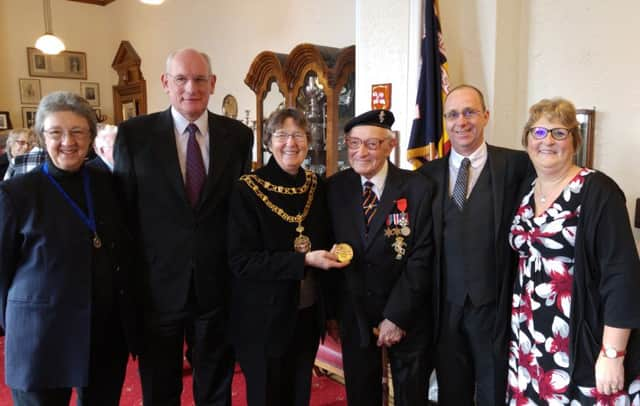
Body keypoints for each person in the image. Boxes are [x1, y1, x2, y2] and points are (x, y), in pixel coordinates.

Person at [114, 48, 253, 405]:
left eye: (199, 79)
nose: (191, 87)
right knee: (160, 387)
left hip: (217, 284)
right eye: (181, 79)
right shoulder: (133, 136)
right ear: (165, 83)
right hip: (158, 287)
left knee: (216, 384)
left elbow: (240, 209)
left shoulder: (237, 136)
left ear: (213, 83)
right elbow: (124, 215)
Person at [0, 91, 139, 405]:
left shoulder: (107, 183)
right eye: (56, 132)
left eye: (78, 131)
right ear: (41, 136)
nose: (68, 141)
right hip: (42, 334)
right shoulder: (16, 193)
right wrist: (15, 323)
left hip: (103, 331)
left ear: (91, 136)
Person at [506, 97, 640, 404]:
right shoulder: (526, 191)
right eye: (539, 132)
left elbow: (622, 276)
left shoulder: (598, 191)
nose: (547, 141)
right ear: (527, 140)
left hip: (581, 344)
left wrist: (612, 353)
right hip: (528, 343)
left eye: (559, 133)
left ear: (574, 141)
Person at [418, 84, 532, 405]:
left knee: (494, 392)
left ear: (485, 116)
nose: (461, 121)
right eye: (453, 114)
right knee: (452, 394)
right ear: (445, 122)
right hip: (446, 308)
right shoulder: (426, 176)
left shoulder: (517, 166)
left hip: (494, 308)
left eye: (469, 112)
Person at [228, 108, 347, 406]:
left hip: (306, 314)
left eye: (298, 135)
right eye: (281, 135)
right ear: (268, 141)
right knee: (267, 396)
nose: (290, 143)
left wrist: (331, 311)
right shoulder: (247, 189)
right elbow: (242, 261)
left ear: (308, 140)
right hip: (263, 318)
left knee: (298, 394)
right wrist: (303, 261)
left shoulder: (317, 186)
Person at [328, 109, 435, 406]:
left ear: (390, 146)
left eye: (372, 144)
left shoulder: (418, 188)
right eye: (354, 143)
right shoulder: (334, 188)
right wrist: (332, 313)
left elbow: (422, 255)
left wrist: (397, 316)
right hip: (355, 314)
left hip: (407, 314)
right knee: (361, 394)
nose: (361, 152)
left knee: (410, 395)